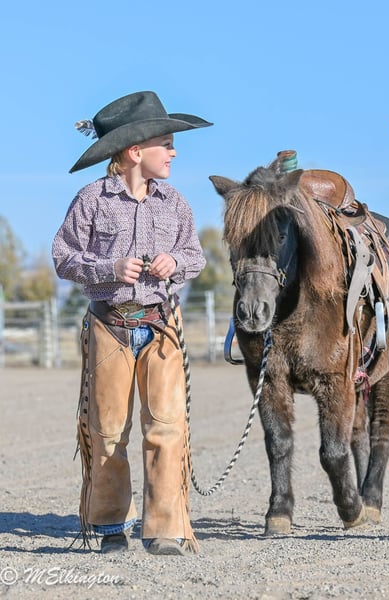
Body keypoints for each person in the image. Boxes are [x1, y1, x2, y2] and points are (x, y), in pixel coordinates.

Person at [53, 91, 212, 555]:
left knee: (167, 427)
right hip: (110, 326)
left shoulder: (175, 203)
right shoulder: (92, 200)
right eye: (167, 144)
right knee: (107, 430)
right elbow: (63, 257)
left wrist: (174, 262)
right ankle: (109, 526)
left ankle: (164, 528)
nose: (174, 153)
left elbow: (195, 256)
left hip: (161, 327)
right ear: (135, 151)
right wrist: (109, 268)